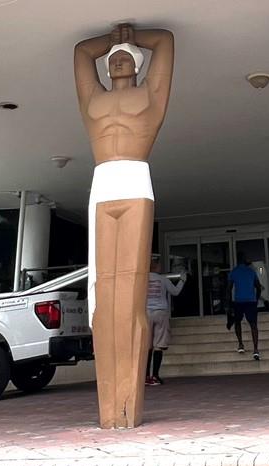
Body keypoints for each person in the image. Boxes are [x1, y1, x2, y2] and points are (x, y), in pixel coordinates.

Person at [72, 23, 174, 429]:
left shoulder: (150, 94)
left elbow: (164, 42)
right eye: (112, 57)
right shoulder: (93, 96)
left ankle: (128, 404)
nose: (116, 59)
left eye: (127, 56)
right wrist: (113, 40)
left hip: (134, 179)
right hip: (103, 183)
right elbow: (82, 53)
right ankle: (108, 406)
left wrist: (130, 38)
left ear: (138, 64)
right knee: (103, 293)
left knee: (130, 298)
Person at [143, 254, 186, 386]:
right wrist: (182, 280)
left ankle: (145, 376)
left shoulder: (142, 280)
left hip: (146, 313)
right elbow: (175, 292)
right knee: (158, 345)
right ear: (156, 266)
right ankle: (155, 375)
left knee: (147, 346)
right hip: (160, 312)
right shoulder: (163, 279)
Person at [227, 257, 263, 360]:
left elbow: (228, 289)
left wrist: (229, 303)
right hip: (250, 301)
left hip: (239, 301)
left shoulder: (234, 272)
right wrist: (256, 299)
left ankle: (241, 344)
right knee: (253, 325)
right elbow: (258, 287)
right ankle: (255, 350)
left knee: (237, 322)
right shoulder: (251, 271)